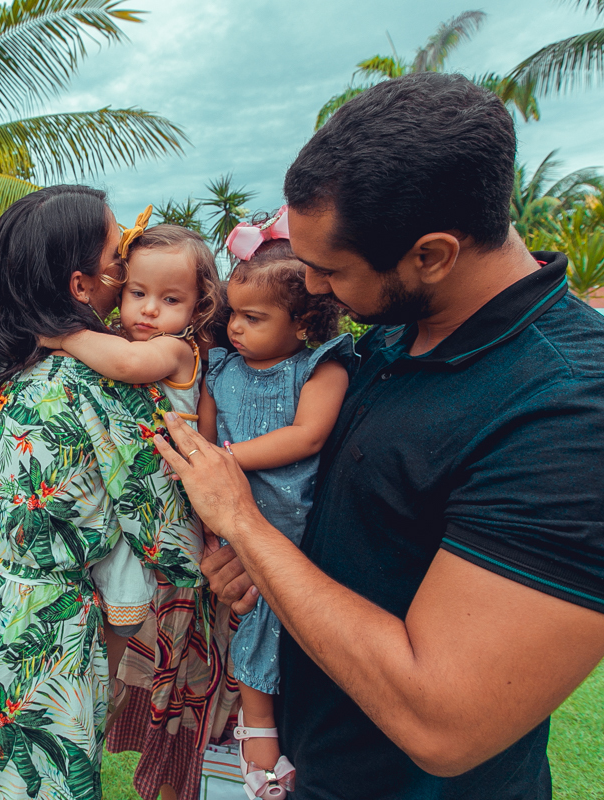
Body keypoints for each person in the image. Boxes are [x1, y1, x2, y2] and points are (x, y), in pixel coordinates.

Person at [153, 73, 604, 799]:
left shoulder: (588, 411)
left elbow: (444, 722)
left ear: (430, 255)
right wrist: (262, 564)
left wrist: (241, 519)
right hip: (318, 769)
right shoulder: (391, 343)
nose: (318, 291)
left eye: (330, 271)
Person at [0, 185, 204, 800]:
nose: (127, 273)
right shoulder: (89, 381)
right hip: (50, 636)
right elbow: (161, 520)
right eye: (119, 260)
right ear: (81, 286)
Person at [41, 212, 220, 729]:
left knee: (125, 583)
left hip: (161, 495)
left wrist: (61, 336)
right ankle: (106, 673)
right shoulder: (129, 340)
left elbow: (125, 367)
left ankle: (109, 678)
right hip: (134, 492)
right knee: (113, 576)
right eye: (138, 292)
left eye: (170, 300)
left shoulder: (174, 350)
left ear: (196, 308)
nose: (148, 310)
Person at [201, 207, 353, 797]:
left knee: (288, 615)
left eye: (253, 318)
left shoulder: (319, 368)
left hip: (296, 521)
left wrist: (227, 461)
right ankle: (255, 719)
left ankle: (271, 719)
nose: (235, 328)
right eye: (233, 314)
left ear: (304, 322)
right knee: (252, 612)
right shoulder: (224, 367)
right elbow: (209, 434)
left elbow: (307, 436)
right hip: (238, 524)